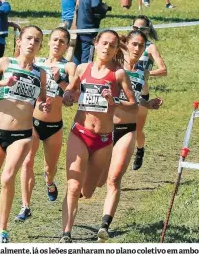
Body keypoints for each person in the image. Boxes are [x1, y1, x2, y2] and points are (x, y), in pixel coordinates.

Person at [0, 25, 51, 243]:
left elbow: (41, 99)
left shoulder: (40, 73)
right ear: (20, 42)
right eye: (29, 39)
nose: (32, 43)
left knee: (8, 178)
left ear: (40, 46)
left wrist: (43, 106)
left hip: (23, 135)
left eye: (37, 40)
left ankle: (3, 230)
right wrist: (1, 82)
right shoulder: (5, 63)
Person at [59, 30, 138, 243]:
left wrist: (114, 101)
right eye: (104, 43)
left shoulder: (119, 74)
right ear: (95, 43)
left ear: (115, 50)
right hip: (80, 133)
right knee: (73, 187)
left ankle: (80, 196)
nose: (107, 48)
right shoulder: (83, 69)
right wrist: (67, 97)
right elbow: (72, 92)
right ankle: (66, 234)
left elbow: (133, 106)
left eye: (112, 45)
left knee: (89, 191)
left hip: (103, 141)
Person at [96, 30, 163, 243]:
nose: (137, 49)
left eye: (141, 46)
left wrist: (148, 104)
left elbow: (135, 100)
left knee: (114, 179)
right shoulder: (114, 67)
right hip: (105, 128)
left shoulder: (142, 72)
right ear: (126, 44)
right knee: (96, 181)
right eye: (134, 44)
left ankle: (105, 225)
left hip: (127, 129)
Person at [15, 27, 76, 221]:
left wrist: (59, 80)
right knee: (27, 161)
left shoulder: (69, 67)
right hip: (32, 122)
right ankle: (25, 206)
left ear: (67, 46)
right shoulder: (36, 63)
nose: (58, 44)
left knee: (50, 168)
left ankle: (49, 182)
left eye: (62, 41)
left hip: (53, 126)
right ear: (48, 42)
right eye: (55, 40)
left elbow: (72, 96)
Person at [132, 15, 167, 170]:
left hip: (142, 95)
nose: (138, 31)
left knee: (137, 130)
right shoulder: (127, 44)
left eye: (142, 28)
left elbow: (163, 70)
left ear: (147, 29)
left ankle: (140, 150)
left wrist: (147, 73)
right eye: (135, 28)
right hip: (124, 93)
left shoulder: (150, 47)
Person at [74, 0, 112, 66]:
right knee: (87, 59)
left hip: (78, 29)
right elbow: (97, 10)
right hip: (89, 31)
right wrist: (105, 9)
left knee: (76, 56)